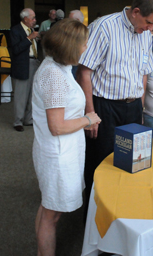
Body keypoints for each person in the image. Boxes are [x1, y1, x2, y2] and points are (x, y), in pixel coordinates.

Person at [77, 0, 153, 208]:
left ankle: (123, 207)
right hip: (104, 107)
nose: (150, 29)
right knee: (99, 162)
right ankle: (94, 215)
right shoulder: (104, 27)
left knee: (133, 161)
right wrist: (90, 113)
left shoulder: (146, 32)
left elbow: (144, 72)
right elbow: (84, 72)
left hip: (133, 106)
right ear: (135, 12)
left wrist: (141, 108)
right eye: (148, 22)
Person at [32, 19, 101, 256]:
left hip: (63, 151)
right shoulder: (54, 76)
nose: (85, 48)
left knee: (49, 208)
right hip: (57, 155)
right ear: (70, 46)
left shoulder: (60, 68)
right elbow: (57, 127)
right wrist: (88, 119)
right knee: (52, 213)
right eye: (83, 44)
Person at [9, 8, 41, 132]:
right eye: (32, 18)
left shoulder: (31, 30)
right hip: (22, 64)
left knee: (33, 93)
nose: (35, 20)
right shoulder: (15, 30)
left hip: (35, 62)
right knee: (21, 95)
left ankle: (29, 119)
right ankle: (18, 121)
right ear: (25, 18)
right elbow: (16, 49)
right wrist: (29, 38)